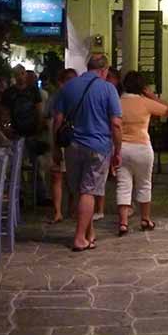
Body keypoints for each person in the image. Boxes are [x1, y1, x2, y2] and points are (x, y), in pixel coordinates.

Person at [52, 53, 121, 252]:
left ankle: (89, 233)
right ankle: (80, 237)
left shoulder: (69, 87)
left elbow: (57, 121)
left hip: (72, 146)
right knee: (89, 192)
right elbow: (116, 124)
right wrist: (118, 150)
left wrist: (56, 148)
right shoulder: (108, 89)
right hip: (98, 146)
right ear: (104, 70)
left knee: (80, 191)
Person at [116, 72, 168, 235]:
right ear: (142, 86)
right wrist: (152, 96)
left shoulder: (117, 102)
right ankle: (145, 219)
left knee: (123, 184)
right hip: (142, 147)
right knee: (144, 183)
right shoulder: (145, 102)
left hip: (122, 147)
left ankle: (123, 222)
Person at [47, 66, 77, 223]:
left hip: (63, 136)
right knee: (72, 176)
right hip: (75, 137)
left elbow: (56, 119)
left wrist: (55, 144)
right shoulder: (78, 94)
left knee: (58, 177)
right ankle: (71, 209)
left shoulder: (59, 96)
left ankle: (58, 211)